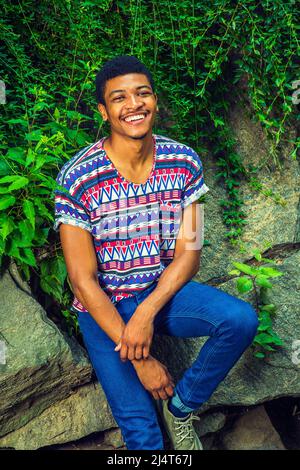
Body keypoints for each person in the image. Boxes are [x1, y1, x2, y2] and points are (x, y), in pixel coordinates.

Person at [53, 55, 259, 450]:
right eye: (119, 98)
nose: (133, 104)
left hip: (160, 294)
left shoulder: (183, 162)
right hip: (104, 308)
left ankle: (182, 408)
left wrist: (147, 312)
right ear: (103, 111)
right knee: (142, 434)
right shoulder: (77, 177)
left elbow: (190, 252)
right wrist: (142, 360)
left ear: (156, 100)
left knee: (239, 319)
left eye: (142, 93)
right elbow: (82, 279)